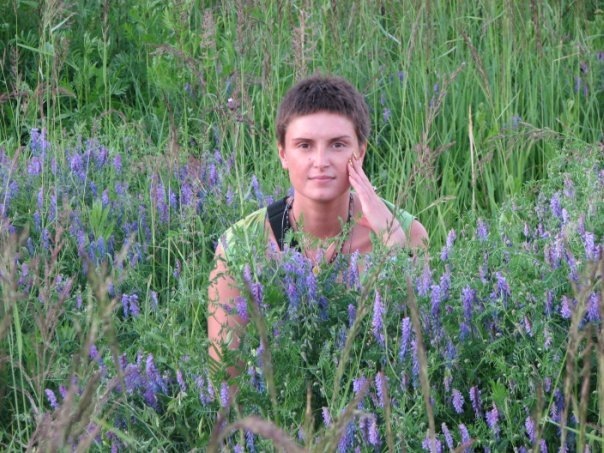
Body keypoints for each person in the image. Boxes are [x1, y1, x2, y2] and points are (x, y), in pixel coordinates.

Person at [207, 74, 428, 366]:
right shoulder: (241, 244)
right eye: (305, 145)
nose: (321, 161)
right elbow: (225, 374)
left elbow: (421, 351)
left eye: (337, 145)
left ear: (360, 153)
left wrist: (393, 243)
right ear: (283, 154)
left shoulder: (409, 232)